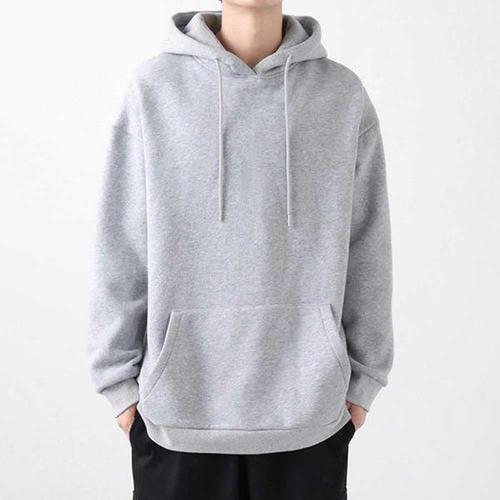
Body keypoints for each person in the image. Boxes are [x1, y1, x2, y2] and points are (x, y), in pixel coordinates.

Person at [88, 1, 394, 498]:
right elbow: (121, 241)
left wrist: (363, 381)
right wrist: (119, 386)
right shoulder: (153, 89)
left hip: (310, 418)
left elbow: (368, 243)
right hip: (177, 419)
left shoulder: (341, 95)